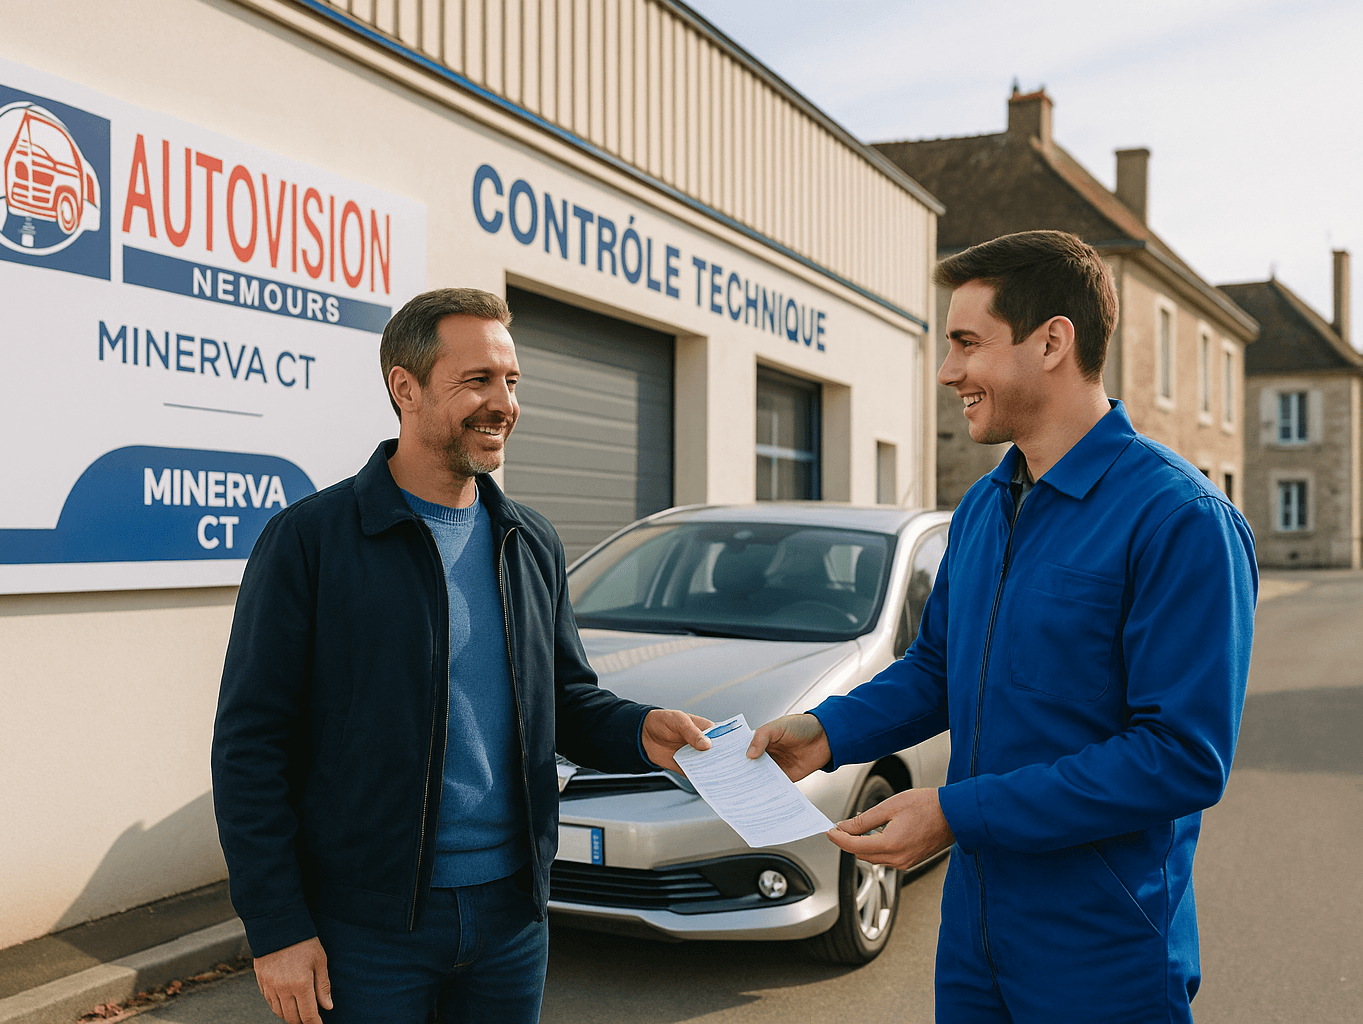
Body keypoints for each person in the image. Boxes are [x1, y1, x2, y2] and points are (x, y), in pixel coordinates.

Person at [747, 230, 1256, 1023]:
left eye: (967, 343)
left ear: (1053, 341)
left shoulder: (1180, 519)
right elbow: (937, 667)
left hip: (1105, 952)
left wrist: (955, 813)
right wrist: (823, 732)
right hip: (977, 941)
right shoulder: (986, 506)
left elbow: (1181, 759)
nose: (948, 371)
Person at [211, 287, 711, 1024]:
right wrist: (278, 926)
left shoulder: (529, 542)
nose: (502, 403)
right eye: (477, 380)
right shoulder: (310, 544)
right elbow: (249, 749)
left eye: (511, 382)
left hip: (512, 917)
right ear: (403, 389)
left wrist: (643, 732)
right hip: (367, 929)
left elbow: (565, 700)